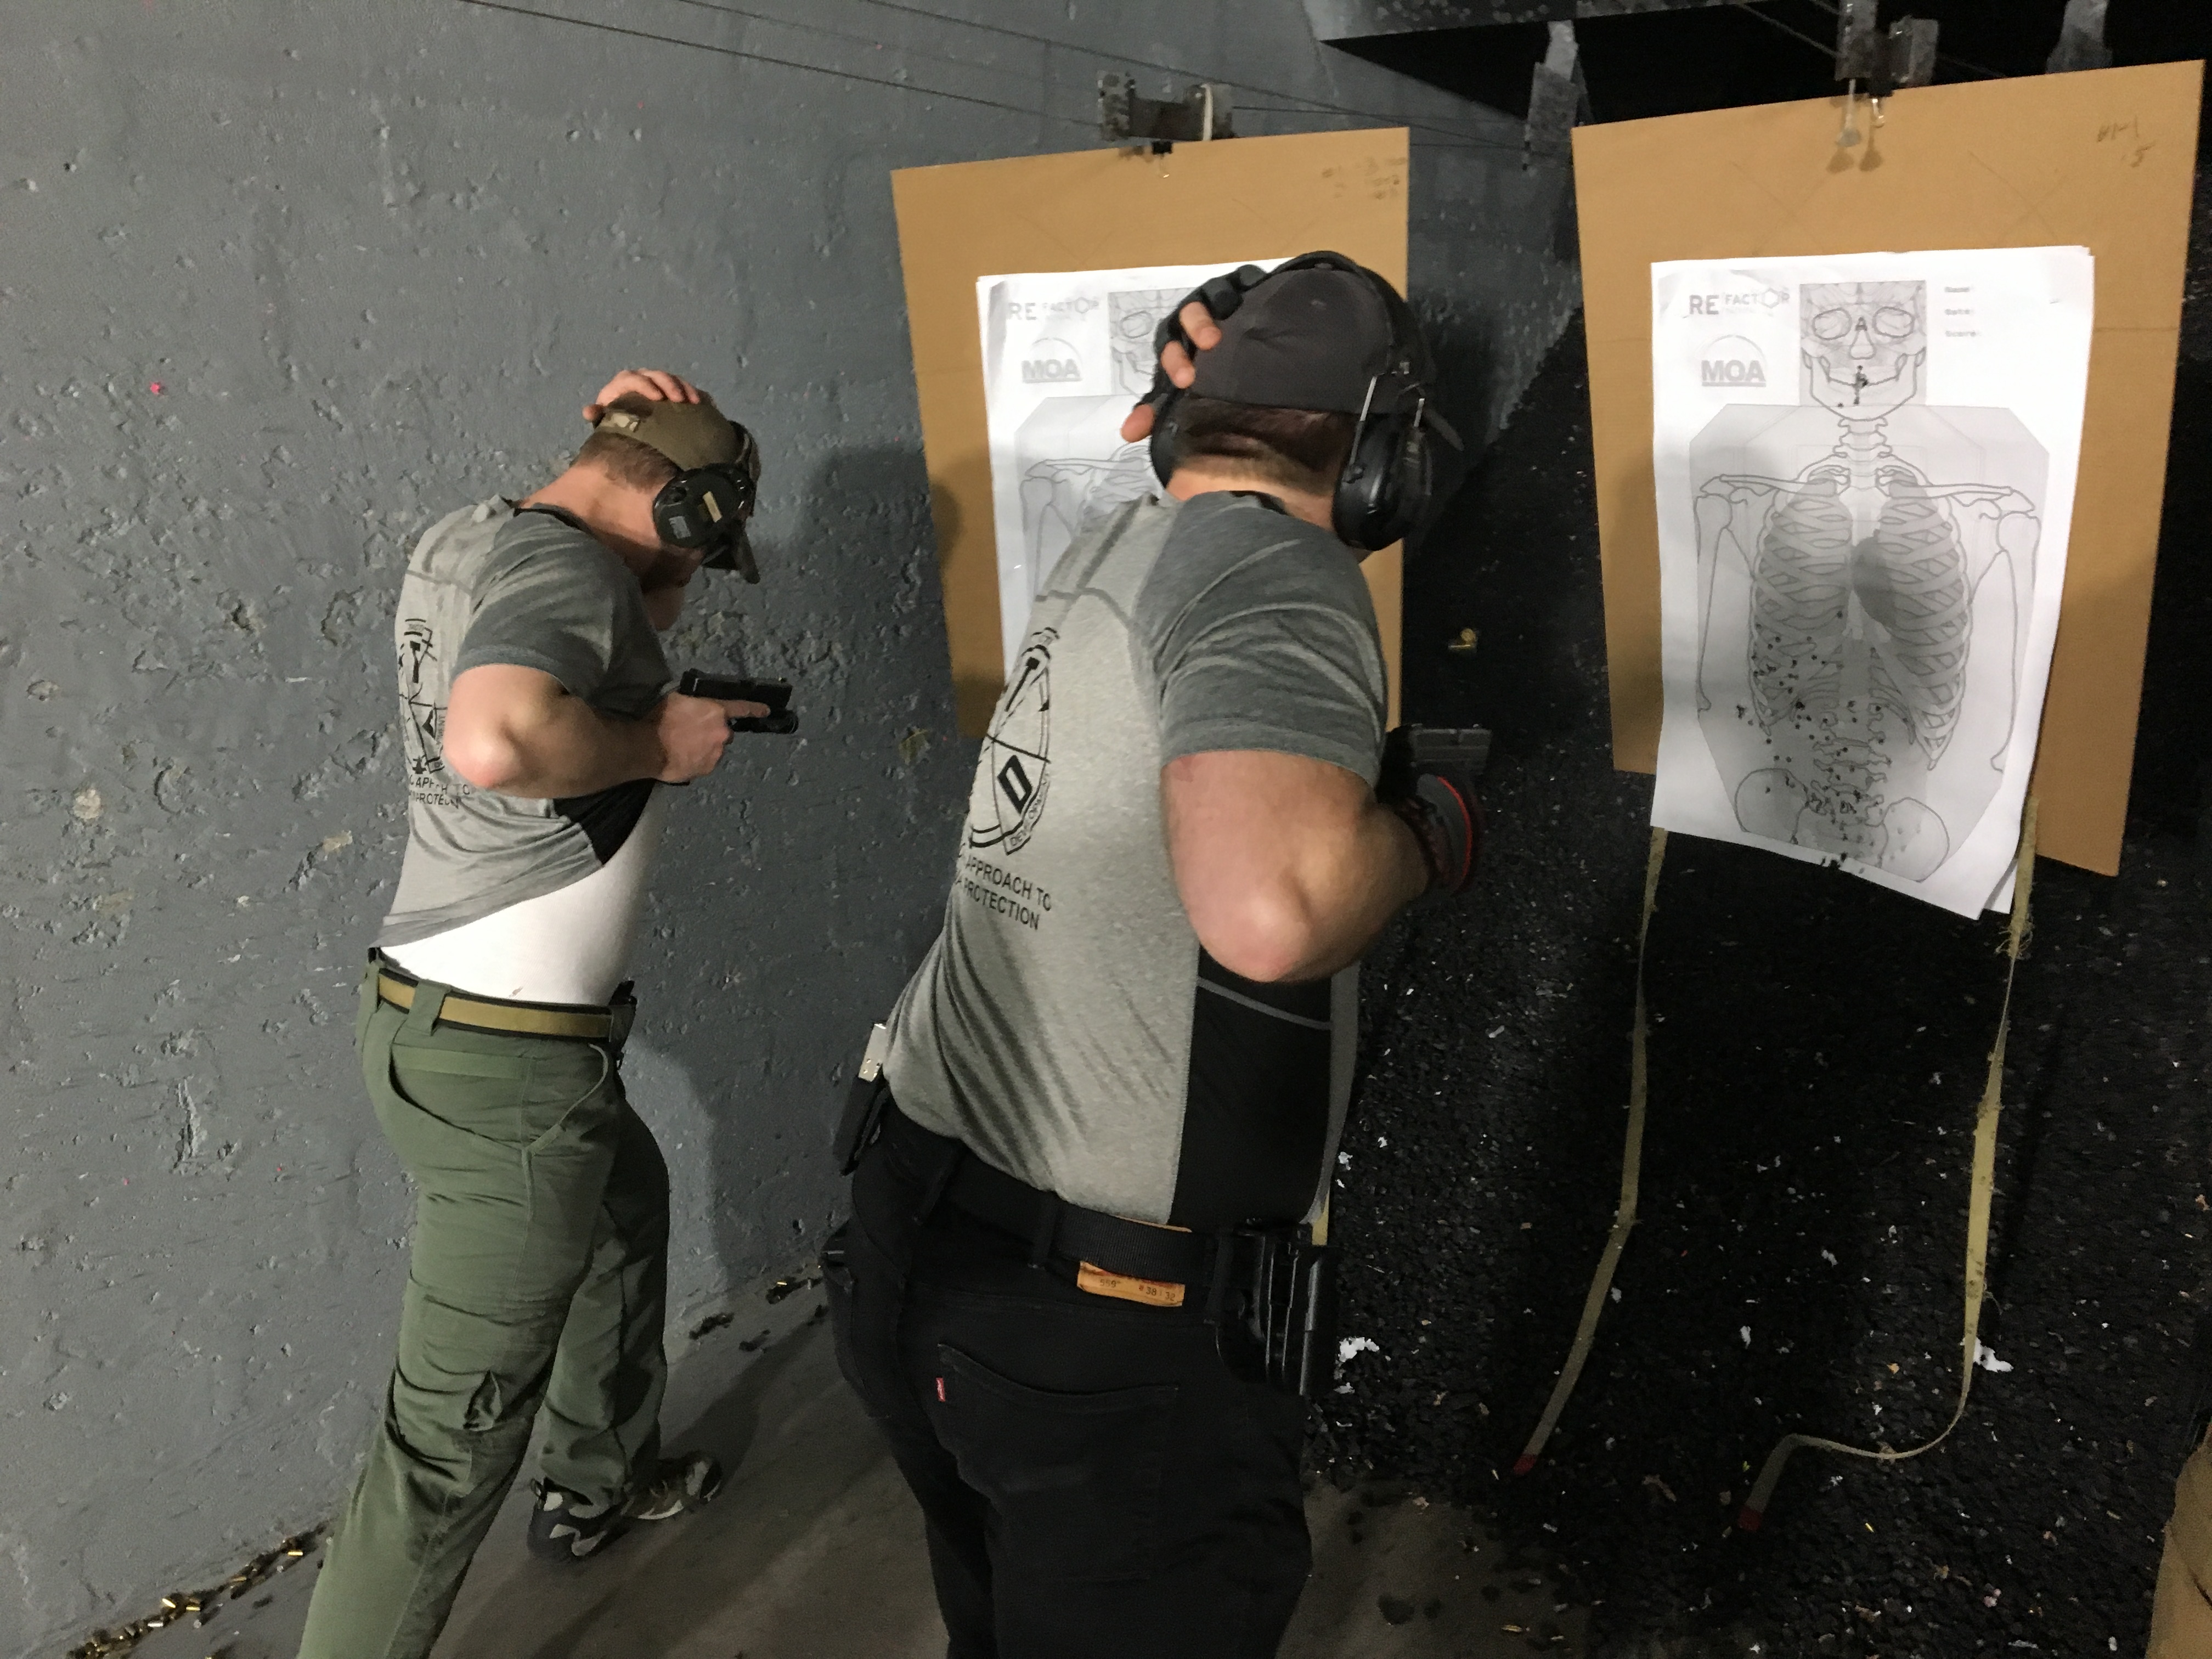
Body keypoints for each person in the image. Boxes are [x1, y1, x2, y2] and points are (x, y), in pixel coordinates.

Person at [823, 256, 1483, 1657]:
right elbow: (1271, 913)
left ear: (1164, 425)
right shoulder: (1276, 570)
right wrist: (1426, 830)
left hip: (920, 1240)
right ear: (1386, 469)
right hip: (1101, 1346)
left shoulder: (1114, 547)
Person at [298, 370, 769, 1659]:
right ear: (683, 518)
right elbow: (495, 742)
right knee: (446, 1445)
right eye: (703, 552)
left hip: (443, 1018)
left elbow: (586, 577)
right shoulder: (573, 575)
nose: (693, 585)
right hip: (506, 1071)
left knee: (626, 1206)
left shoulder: (476, 535)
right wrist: (660, 749)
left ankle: (596, 1482)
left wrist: (631, 429)